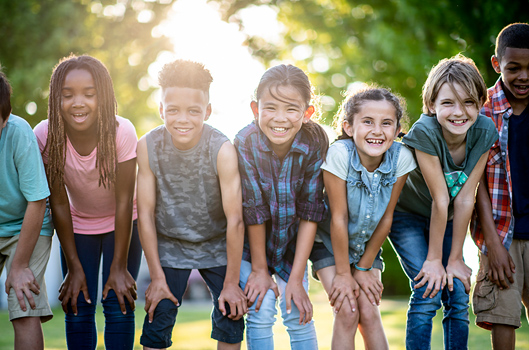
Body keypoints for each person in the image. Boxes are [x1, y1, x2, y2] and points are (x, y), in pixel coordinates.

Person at [388, 55, 498, 349]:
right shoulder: (424, 132)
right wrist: (435, 261)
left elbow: (465, 198)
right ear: (431, 105)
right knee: (428, 288)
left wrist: (455, 260)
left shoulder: (485, 131)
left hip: (449, 217)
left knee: (458, 292)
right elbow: (440, 198)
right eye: (448, 103)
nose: (459, 112)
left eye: (469, 102)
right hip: (408, 214)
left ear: (480, 104)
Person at [34, 55, 141, 350]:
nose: (78, 102)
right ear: (57, 99)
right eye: (67, 95)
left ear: (102, 96)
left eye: (89, 94)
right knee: (77, 305)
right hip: (78, 225)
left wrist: (119, 266)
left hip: (124, 223)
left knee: (118, 304)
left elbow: (123, 201)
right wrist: (73, 266)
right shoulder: (45, 135)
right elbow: (57, 203)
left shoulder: (122, 131)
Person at [137, 59, 246, 350]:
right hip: (170, 246)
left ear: (207, 111)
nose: (182, 119)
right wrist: (156, 277)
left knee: (231, 316)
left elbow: (235, 219)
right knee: (156, 317)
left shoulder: (222, 149)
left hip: (217, 244)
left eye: (193, 111)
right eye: (172, 110)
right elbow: (145, 214)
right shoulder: (147, 146)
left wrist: (232, 283)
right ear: (161, 109)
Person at [310, 86, 416, 349]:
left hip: (368, 245)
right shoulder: (339, 155)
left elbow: (387, 217)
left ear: (397, 129)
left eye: (387, 123)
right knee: (347, 311)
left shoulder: (401, 157)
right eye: (367, 122)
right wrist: (345, 274)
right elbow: (338, 217)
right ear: (348, 127)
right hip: (329, 243)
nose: (377, 131)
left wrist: (364, 266)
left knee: (369, 312)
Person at [235, 64, 328, 350]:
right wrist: (260, 271)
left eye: (291, 109)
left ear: (307, 113)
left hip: (293, 241)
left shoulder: (315, 140)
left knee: (298, 311)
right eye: (270, 108)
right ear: (255, 108)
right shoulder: (246, 141)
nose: (280, 118)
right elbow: (253, 209)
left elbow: (311, 210)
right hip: (251, 244)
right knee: (260, 309)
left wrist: (298, 277)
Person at [471, 23, 529, 350]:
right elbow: (475, 179)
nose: (523, 76)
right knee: (503, 315)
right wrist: (492, 243)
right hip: (501, 235)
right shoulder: (483, 111)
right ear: (497, 65)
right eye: (514, 68)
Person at [0, 69, 54, 350]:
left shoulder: (19, 134)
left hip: (27, 224)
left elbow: (37, 201)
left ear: (5, 118)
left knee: (24, 302)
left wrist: (19, 265)